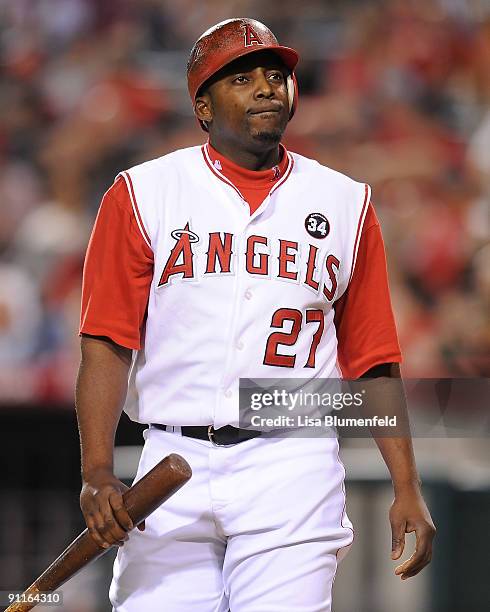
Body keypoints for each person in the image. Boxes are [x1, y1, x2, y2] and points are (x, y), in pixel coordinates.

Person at [76, 18, 435, 611]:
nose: (268, 87)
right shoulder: (143, 193)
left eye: (275, 75)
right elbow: (107, 341)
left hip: (289, 464)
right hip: (170, 462)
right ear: (203, 105)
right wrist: (96, 469)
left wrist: (407, 485)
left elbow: (373, 359)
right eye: (242, 78)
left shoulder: (346, 202)